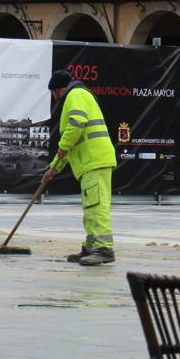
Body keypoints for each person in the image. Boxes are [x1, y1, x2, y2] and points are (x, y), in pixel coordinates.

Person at [42, 69, 117, 266]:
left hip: (94, 160)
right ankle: (91, 247)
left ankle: (103, 249)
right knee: (90, 208)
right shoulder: (78, 95)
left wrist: (62, 147)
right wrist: (54, 168)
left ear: (58, 89)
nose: (53, 97)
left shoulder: (75, 95)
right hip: (90, 162)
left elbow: (76, 125)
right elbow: (70, 143)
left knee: (97, 206)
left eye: (52, 92)